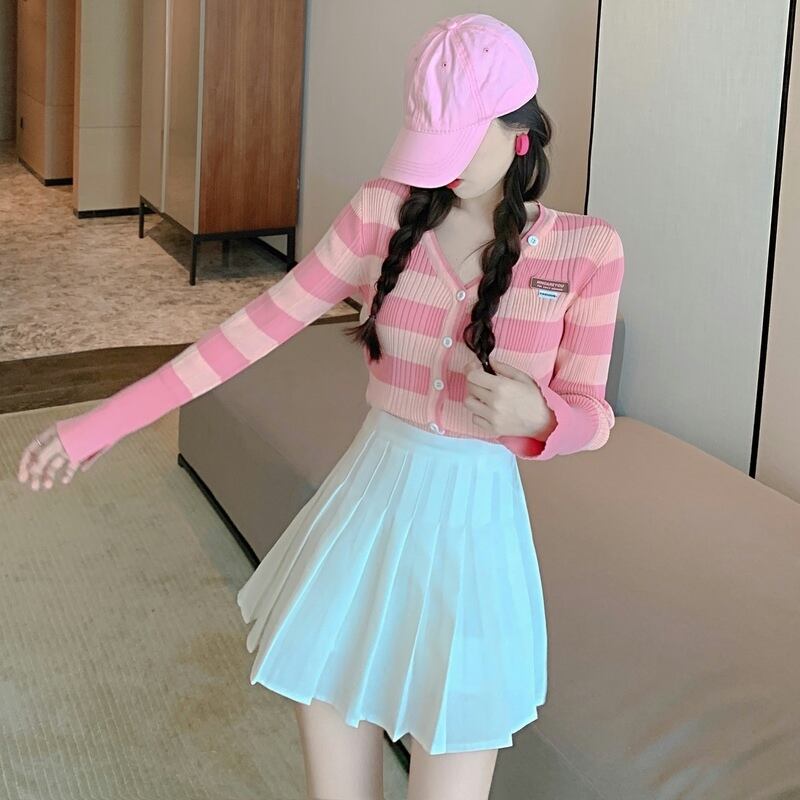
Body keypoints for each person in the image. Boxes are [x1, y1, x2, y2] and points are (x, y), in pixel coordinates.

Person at [18, 13, 625, 800]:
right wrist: (103, 422)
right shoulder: (381, 213)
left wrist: (538, 418)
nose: (440, 168)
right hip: (368, 510)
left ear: (520, 133)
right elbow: (250, 331)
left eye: (460, 142)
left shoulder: (588, 250)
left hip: (475, 538)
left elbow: (592, 414)